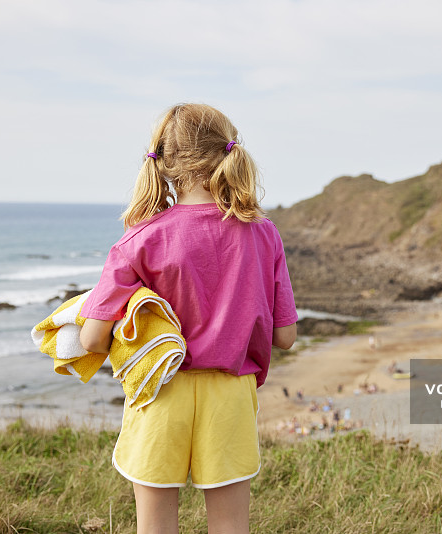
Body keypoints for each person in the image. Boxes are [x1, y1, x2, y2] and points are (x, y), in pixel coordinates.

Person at [79, 103, 298, 534]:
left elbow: (90, 340)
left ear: (163, 164)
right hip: (230, 395)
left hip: (160, 389)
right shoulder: (263, 232)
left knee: (156, 526)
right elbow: (286, 336)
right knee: (231, 527)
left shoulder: (141, 237)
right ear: (226, 154)